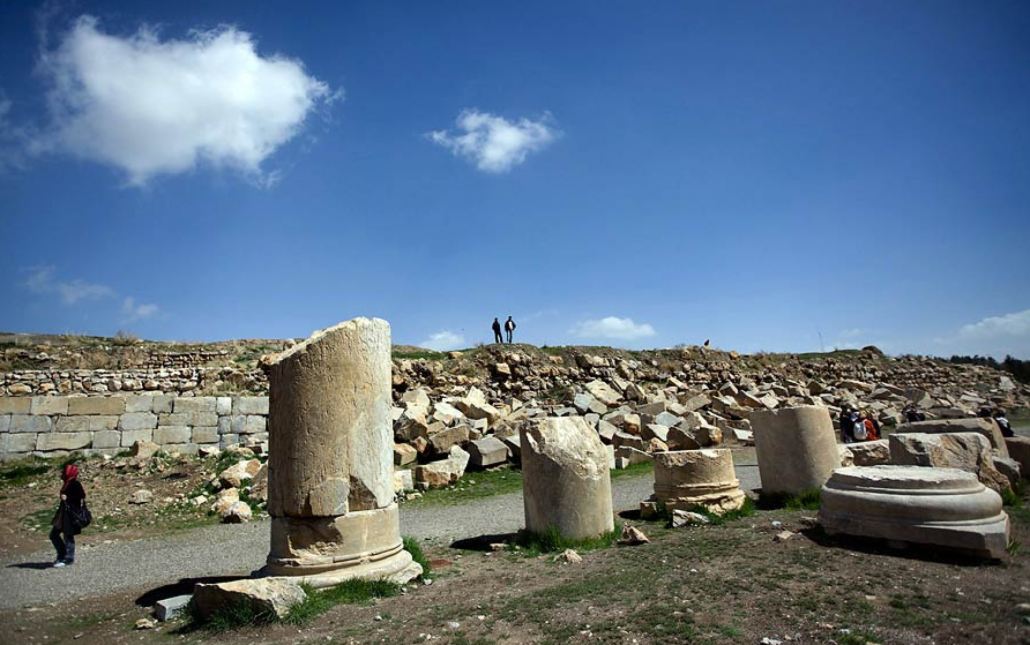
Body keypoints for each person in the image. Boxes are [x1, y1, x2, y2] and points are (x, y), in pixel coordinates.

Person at [51, 463, 86, 567]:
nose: (62, 473)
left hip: (71, 515)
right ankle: (62, 555)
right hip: (63, 514)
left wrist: (68, 498)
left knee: (68, 536)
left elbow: (81, 495)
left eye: (64, 471)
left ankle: (68, 558)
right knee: (53, 534)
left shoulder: (74, 483)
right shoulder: (67, 483)